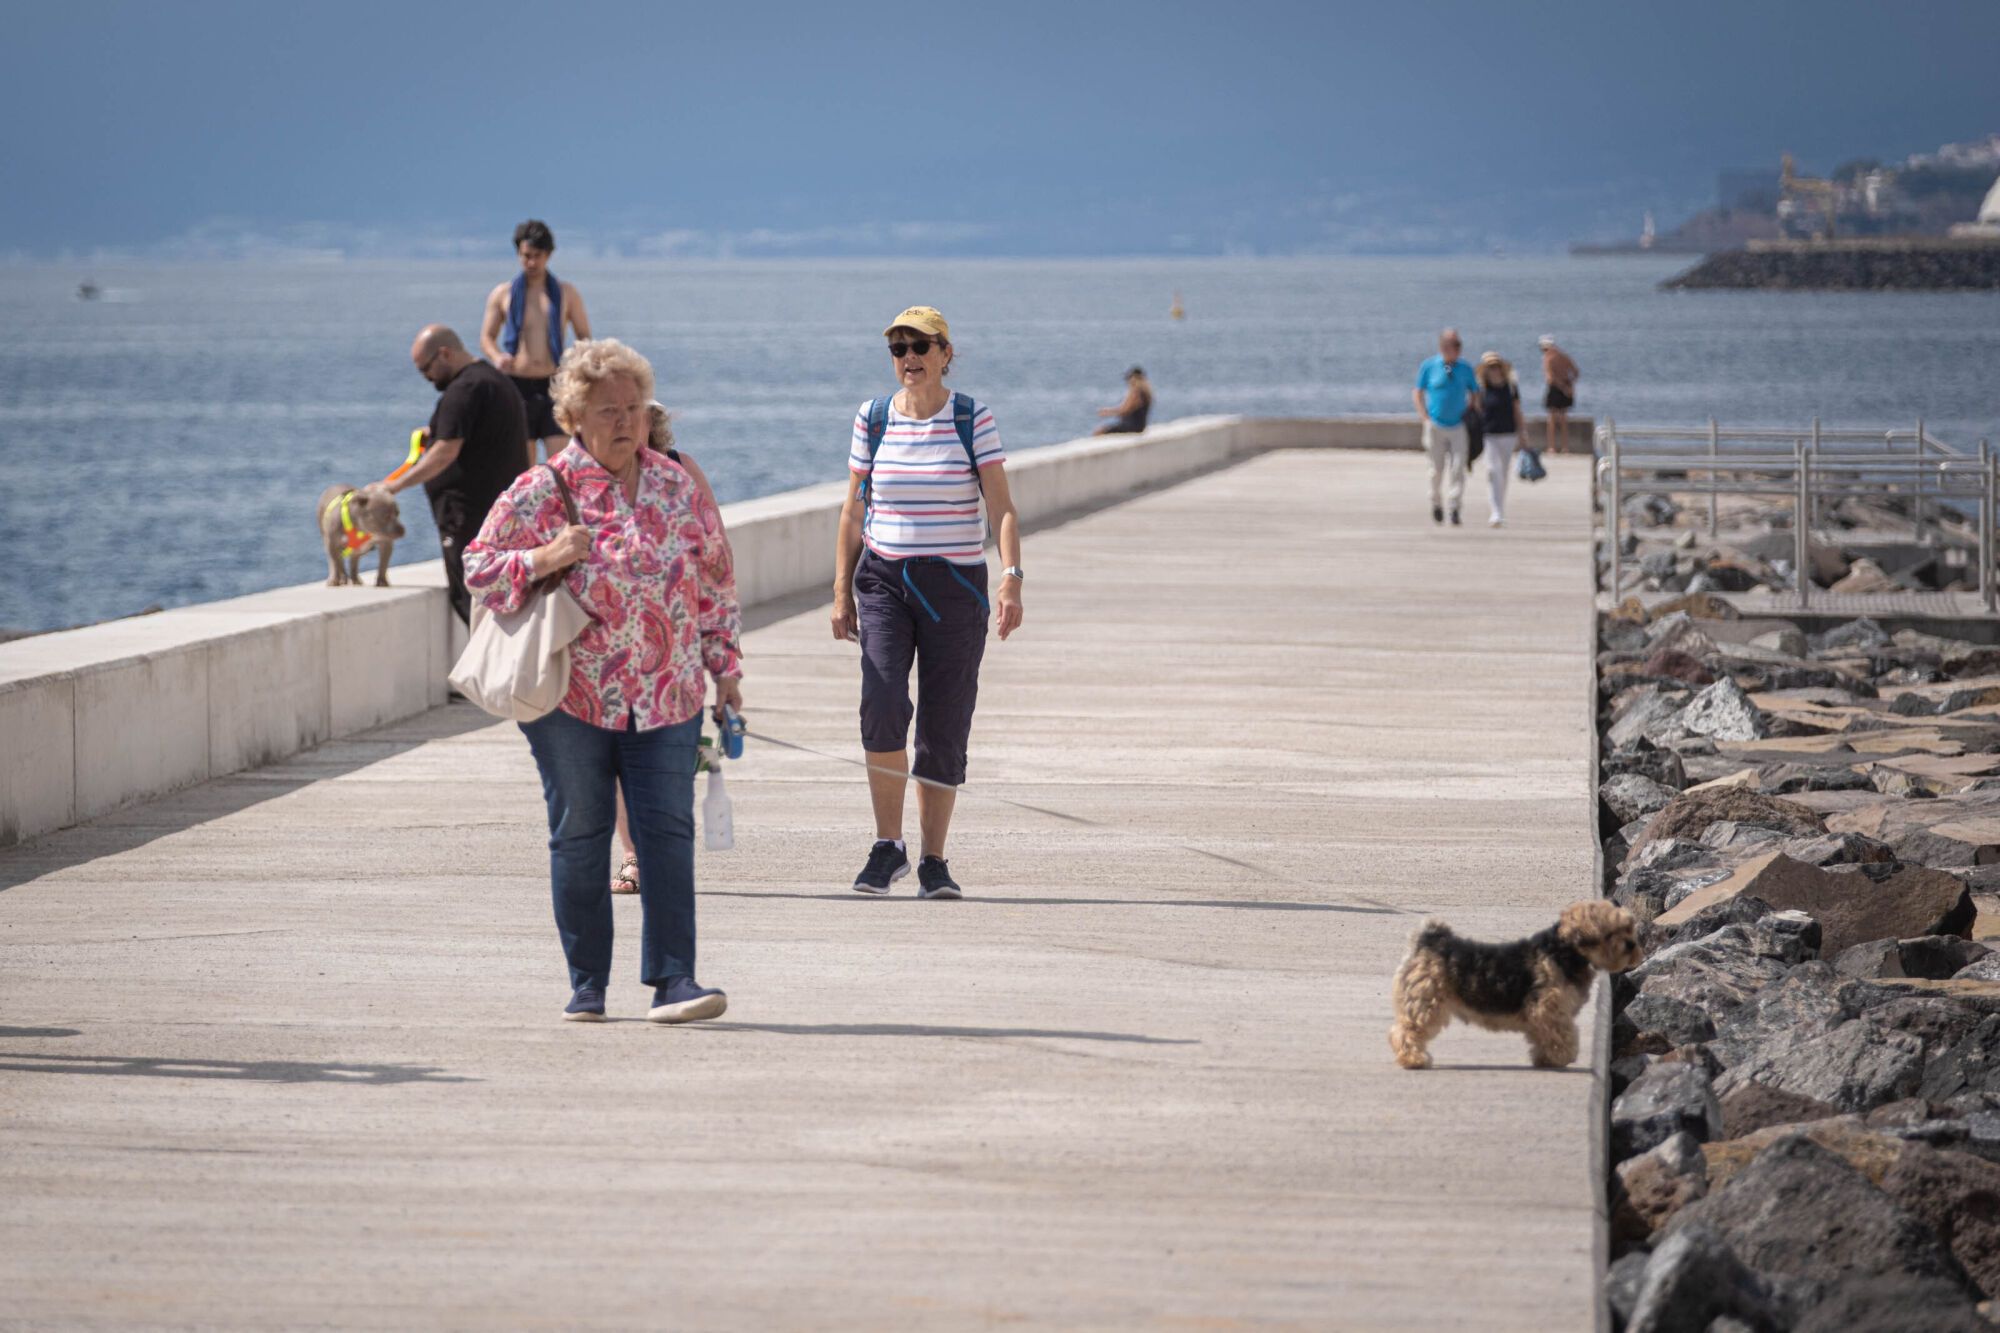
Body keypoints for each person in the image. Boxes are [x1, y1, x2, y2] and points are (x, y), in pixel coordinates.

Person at [462, 338, 742, 1024]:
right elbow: (478, 567)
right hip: (572, 701)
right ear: (574, 417)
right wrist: (543, 556)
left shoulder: (676, 484)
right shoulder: (541, 489)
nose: (626, 421)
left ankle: (674, 978)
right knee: (581, 832)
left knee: (666, 834)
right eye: (609, 409)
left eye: (635, 408)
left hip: (670, 695)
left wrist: (725, 671)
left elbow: (714, 578)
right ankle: (587, 982)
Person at [830, 306, 1024, 901]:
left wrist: (1012, 576)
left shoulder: (972, 417)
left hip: (956, 588)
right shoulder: (874, 417)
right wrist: (841, 590)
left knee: (944, 726)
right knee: (883, 700)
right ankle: (888, 847)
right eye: (899, 348)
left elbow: (1002, 507)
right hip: (884, 580)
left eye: (922, 346)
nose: (909, 358)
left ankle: (934, 860)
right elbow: (853, 509)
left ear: (946, 352)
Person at [611, 402, 730, 896]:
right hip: (612, 643)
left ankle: (662, 845)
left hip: (677, 641)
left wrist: (723, 652)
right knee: (616, 753)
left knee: (671, 751)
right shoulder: (592, 474)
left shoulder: (681, 467)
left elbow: (717, 552)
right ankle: (634, 855)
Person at [391, 325, 531, 625]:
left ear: (445, 353)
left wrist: (393, 486)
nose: (428, 378)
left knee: (470, 598)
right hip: (501, 515)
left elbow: (445, 451)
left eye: (427, 369)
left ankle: (486, 670)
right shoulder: (496, 382)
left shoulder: (463, 390)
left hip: (467, 515)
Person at [481, 220, 592, 463]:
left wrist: (576, 362)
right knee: (524, 466)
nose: (531, 262)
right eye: (525, 256)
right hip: (517, 385)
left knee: (560, 463)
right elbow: (487, 337)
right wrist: (498, 357)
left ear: (548, 255)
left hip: (553, 383)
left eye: (537, 256)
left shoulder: (565, 293)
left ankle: (561, 502)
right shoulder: (504, 294)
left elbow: (584, 335)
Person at [1412, 329, 1480, 526]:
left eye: (1460, 345)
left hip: (1458, 425)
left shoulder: (1465, 368)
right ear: (1443, 347)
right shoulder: (1429, 366)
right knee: (1436, 469)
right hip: (1435, 424)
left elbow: (1475, 392)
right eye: (1454, 345)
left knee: (1458, 467)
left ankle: (1455, 507)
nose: (1458, 349)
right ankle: (1435, 502)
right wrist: (1424, 417)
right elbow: (1418, 391)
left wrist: (1472, 412)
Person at [1474, 351, 1526, 527]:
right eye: (1490, 367)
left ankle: (1500, 507)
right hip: (1489, 435)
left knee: (1503, 472)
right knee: (1492, 470)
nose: (1494, 370)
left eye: (1496, 366)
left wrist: (1523, 433)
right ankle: (1495, 512)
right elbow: (1476, 409)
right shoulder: (1481, 389)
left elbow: (1517, 411)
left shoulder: (1511, 387)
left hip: (1508, 434)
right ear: (1485, 370)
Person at [1540, 335, 1579, 455]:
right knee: (1563, 419)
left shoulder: (1547, 358)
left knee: (1552, 419)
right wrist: (1569, 386)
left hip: (1555, 389)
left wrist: (1562, 388)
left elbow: (1550, 378)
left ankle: (1551, 447)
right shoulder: (1564, 356)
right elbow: (1576, 372)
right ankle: (1565, 447)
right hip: (1566, 386)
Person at [1093, 366, 1153, 435]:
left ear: (1134, 378)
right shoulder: (1147, 392)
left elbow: (1125, 410)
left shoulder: (1136, 392)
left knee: (1099, 431)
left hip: (1132, 426)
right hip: (1140, 426)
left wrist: (1107, 412)